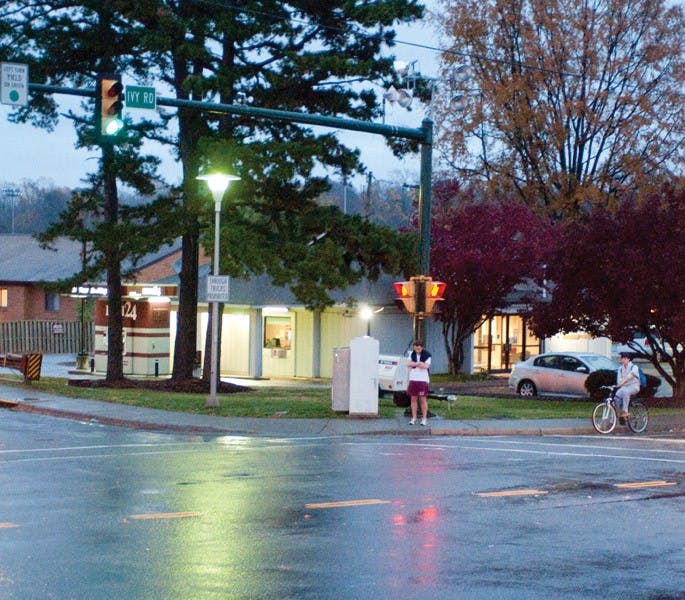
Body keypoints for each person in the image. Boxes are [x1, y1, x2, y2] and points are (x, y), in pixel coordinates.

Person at [407, 340, 431, 426]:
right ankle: (414, 418)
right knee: (413, 399)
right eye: (416, 347)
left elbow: (426, 366)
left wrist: (415, 364)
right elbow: (408, 364)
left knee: (422, 400)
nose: (417, 348)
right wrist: (418, 363)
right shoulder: (411, 354)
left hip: (423, 380)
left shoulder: (427, 355)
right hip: (413, 379)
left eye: (419, 347)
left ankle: (424, 419)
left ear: (422, 347)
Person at [616, 351, 640, 418]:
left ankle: (625, 411)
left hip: (634, 387)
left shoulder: (634, 367)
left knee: (626, 392)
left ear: (629, 359)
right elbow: (619, 380)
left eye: (625, 358)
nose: (623, 360)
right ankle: (614, 418)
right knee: (616, 397)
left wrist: (622, 382)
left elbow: (630, 376)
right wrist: (620, 384)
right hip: (624, 387)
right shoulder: (620, 369)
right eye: (622, 358)